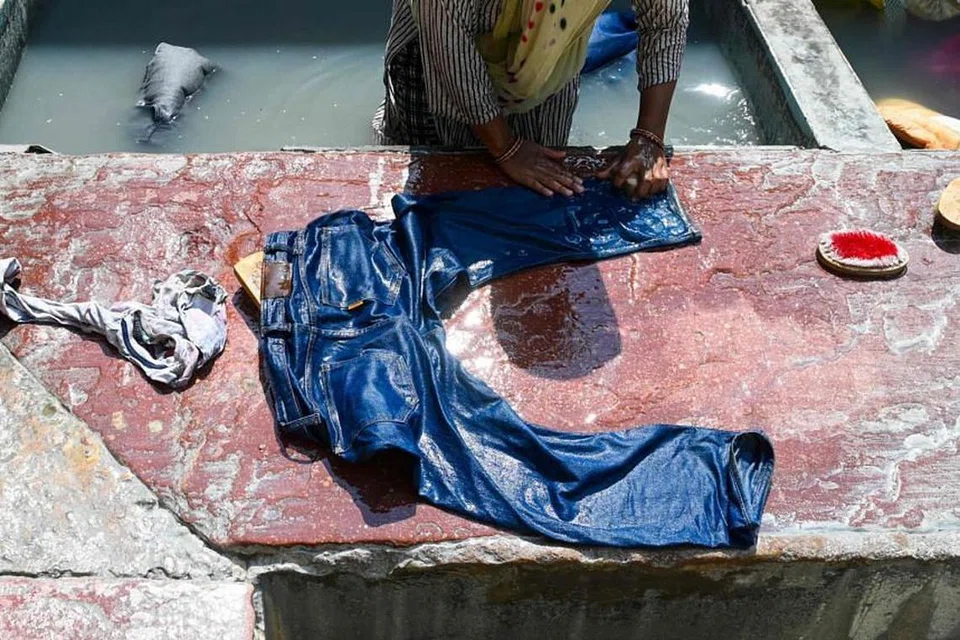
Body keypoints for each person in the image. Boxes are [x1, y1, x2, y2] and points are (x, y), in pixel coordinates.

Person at [373, 0, 689, 200]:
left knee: (545, 188)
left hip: (554, 46)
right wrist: (507, 147)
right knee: (438, 193)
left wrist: (649, 137)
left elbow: (665, 20)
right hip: (435, 49)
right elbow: (447, 37)